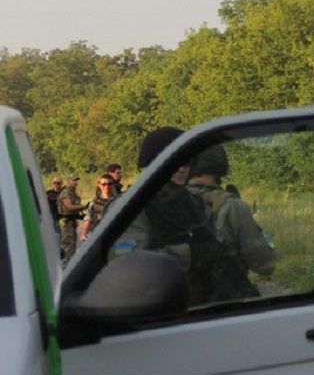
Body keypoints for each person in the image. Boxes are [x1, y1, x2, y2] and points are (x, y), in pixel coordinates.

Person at [118, 127, 256, 305]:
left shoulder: (192, 203)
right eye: (174, 161)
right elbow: (125, 264)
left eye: (187, 161)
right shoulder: (134, 207)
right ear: (152, 163)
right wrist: (188, 254)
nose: (182, 168)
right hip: (157, 310)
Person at [187, 144, 276, 281]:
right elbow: (264, 265)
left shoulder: (171, 202)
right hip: (225, 294)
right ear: (219, 168)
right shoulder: (232, 206)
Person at [80, 173, 118, 242]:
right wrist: (84, 233)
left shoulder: (120, 200)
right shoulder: (94, 203)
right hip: (99, 235)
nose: (107, 186)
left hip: (116, 235)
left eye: (110, 184)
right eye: (104, 184)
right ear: (99, 185)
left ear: (113, 185)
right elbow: (89, 219)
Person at [58, 174, 86, 262]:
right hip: (66, 221)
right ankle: (67, 263)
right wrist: (83, 206)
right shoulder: (66, 192)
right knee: (68, 243)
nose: (75, 182)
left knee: (73, 242)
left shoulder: (74, 193)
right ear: (69, 181)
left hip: (72, 220)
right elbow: (69, 206)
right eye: (73, 180)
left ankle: (72, 261)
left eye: (76, 180)